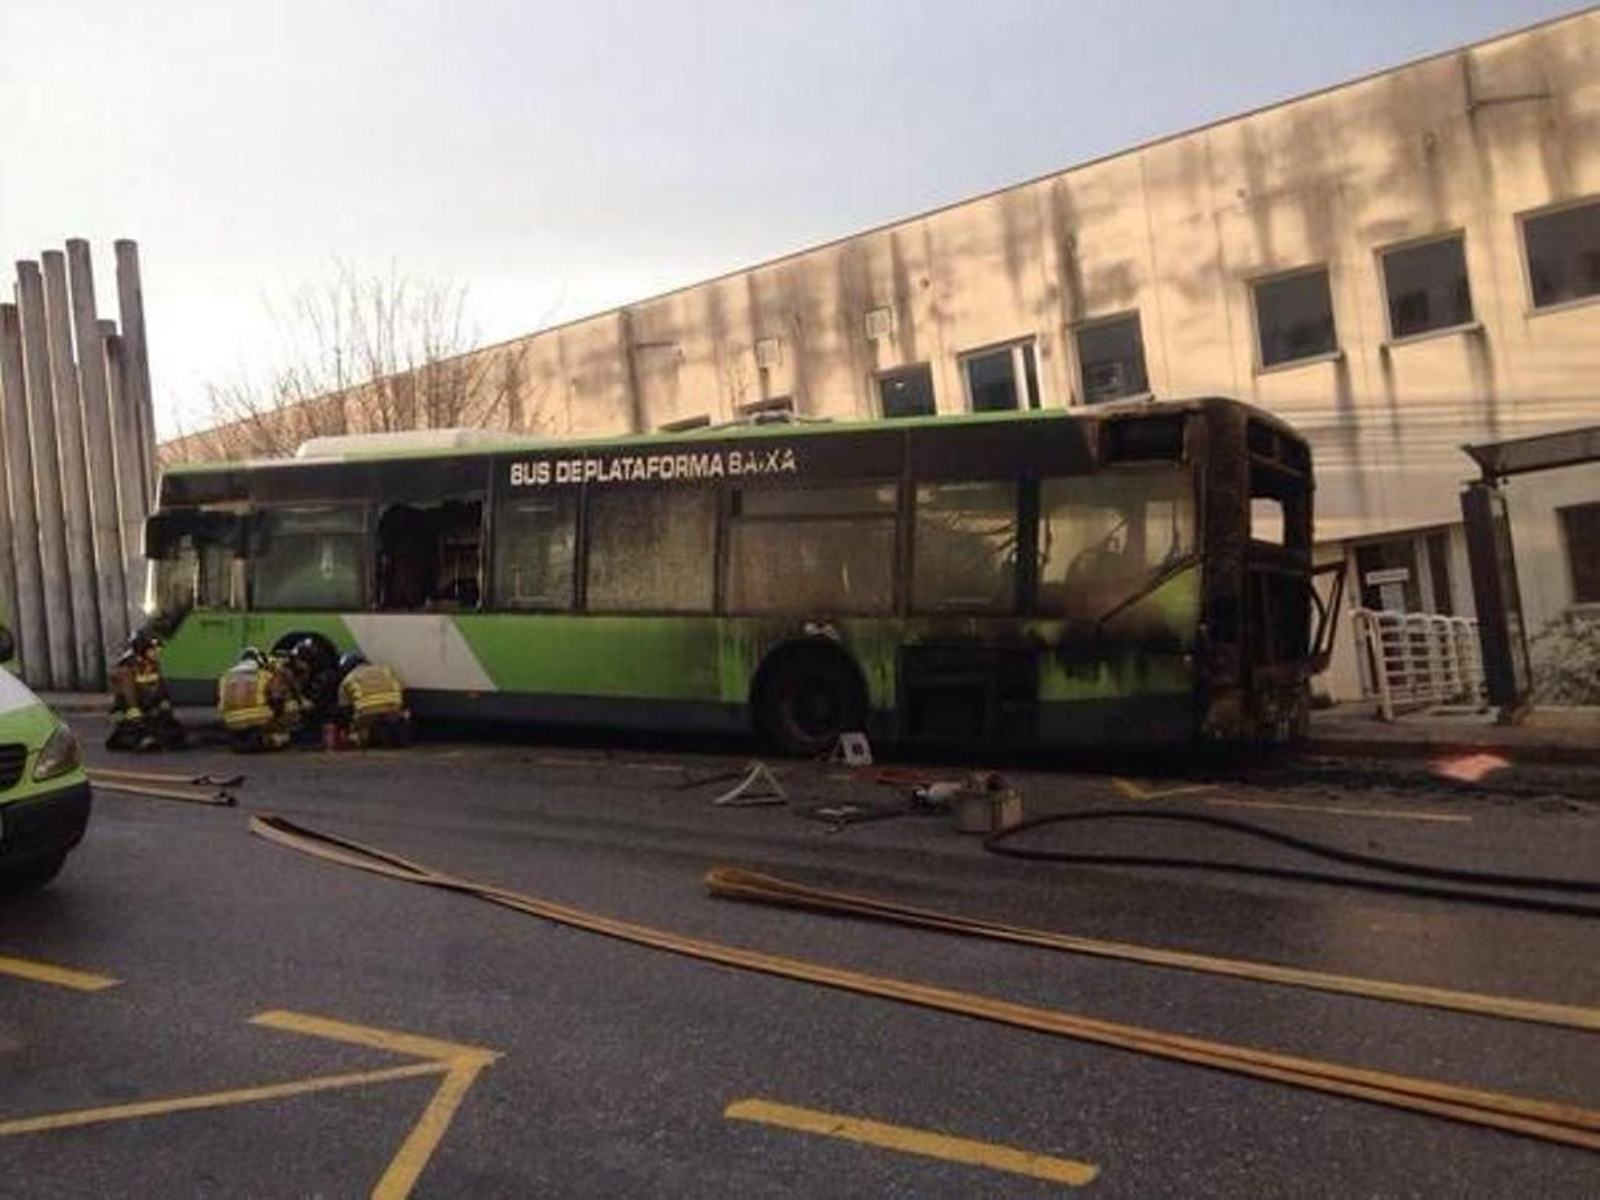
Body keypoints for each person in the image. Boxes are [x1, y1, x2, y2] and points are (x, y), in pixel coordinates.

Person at [107, 630, 187, 752]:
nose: (157, 652)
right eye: (153, 649)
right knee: (139, 732)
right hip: (128, 710)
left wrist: (164, 702)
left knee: (174, 733)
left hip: (149, 707)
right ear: (142, 650)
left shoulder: (153, 665)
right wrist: (134, 710)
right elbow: (129, 694)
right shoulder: (127, 669)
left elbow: (161, 685)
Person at [217, 646, 304, 751]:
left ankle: (244, 736)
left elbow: (221, 700)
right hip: (259, 719)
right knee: (292, 705)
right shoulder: (264, 675)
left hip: (231, 721)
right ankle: (275, 737)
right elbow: (276, 697)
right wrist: (278, 714)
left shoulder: (225, 676)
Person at [334, 651, 411, 748]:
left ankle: (369, 736)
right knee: (394, 719)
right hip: (394, 709)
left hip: (368, 714)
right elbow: (400, 689)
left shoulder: (348, 679)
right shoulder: (385, 670)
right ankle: (396, 731)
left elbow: (344, 710)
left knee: (358, 735)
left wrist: (348, 728)